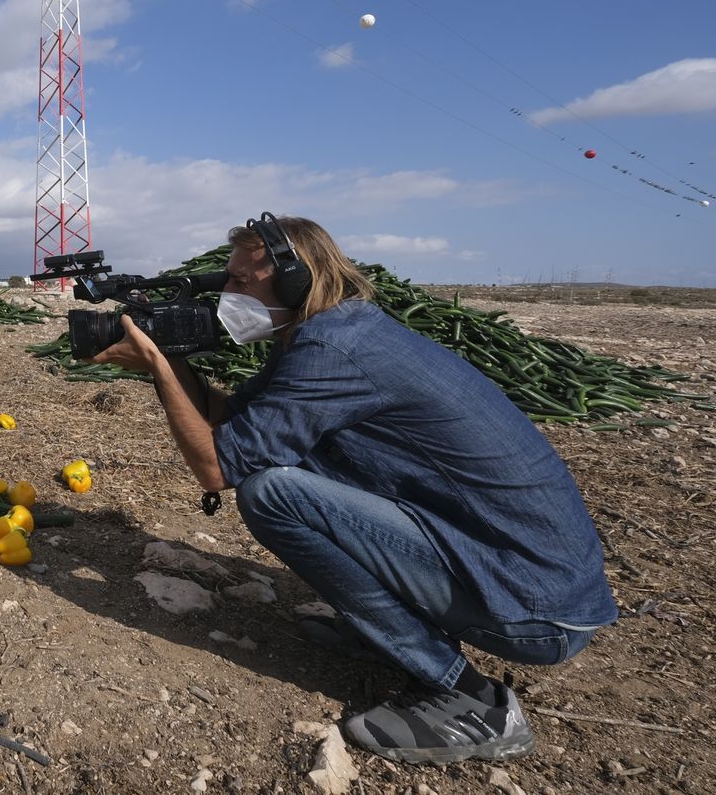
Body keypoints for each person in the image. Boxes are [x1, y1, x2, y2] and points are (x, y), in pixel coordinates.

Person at [90, 213, 615, 765]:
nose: (228, 293)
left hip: (534, 608)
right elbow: (236, 426)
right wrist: (168, 360)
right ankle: (388, 636)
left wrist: (157, 365)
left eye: (242, 282)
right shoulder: (330, 331)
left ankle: (467, 697)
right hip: (523, 576)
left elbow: (218, 468)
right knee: (288, 472)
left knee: (271, 493)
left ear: (296, 281)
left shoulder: (332, 352)